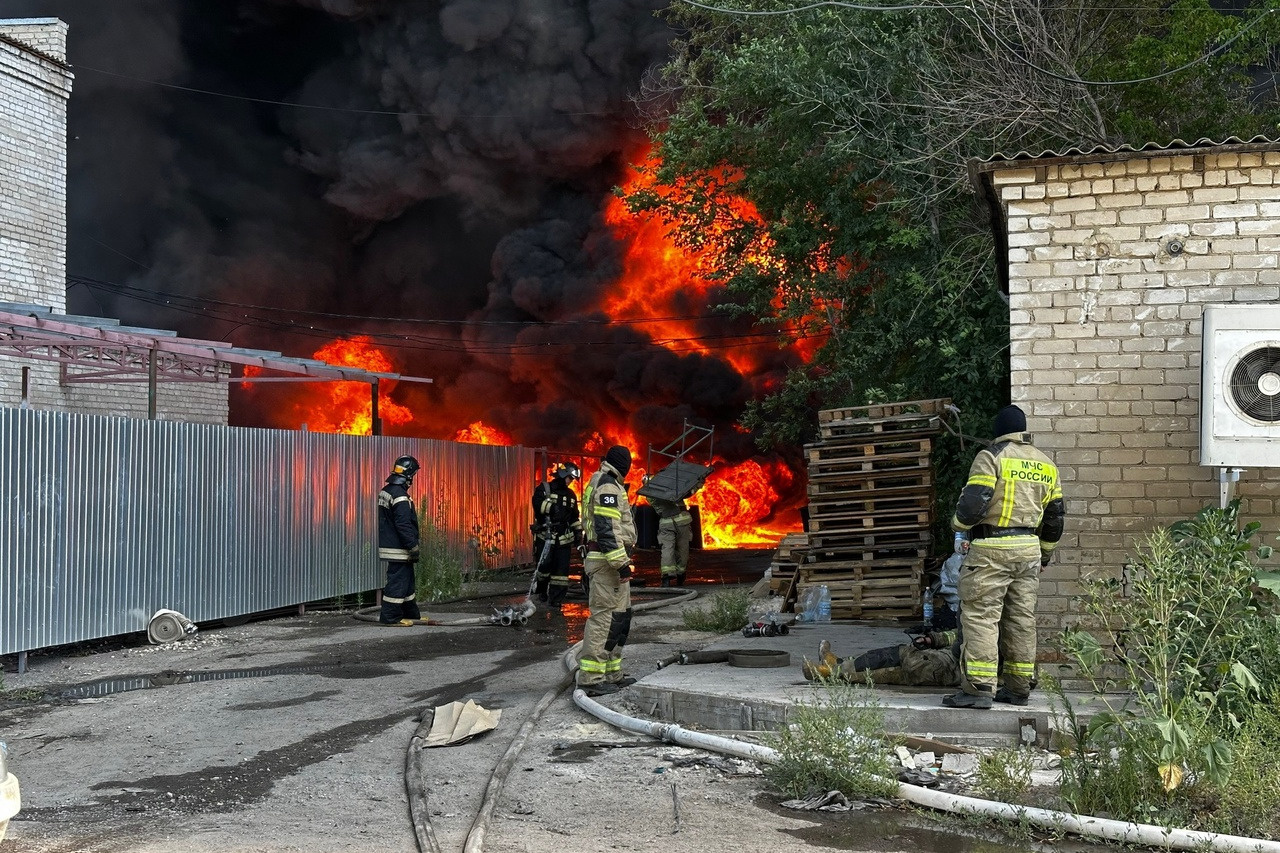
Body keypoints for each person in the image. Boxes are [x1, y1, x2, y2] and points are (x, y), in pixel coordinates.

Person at [944, 404, 1065, 709]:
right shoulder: (1047, 464)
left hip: (991, 550)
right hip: (1029, 552)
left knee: (982, 616)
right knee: (1021, 619)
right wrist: (1045, 555)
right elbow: (1055, 518)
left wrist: (958, 526)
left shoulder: (992, 457)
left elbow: (972, 505)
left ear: (998, 430)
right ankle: (1018, 689)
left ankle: (978, 689)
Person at [576, 445, 637, 697]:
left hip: (608, 561)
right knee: (604, 619)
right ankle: (591, 678)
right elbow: (607, 529)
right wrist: (620, 563)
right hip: (607, 562)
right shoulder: (608, 486)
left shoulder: (606, 482)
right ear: (622, 465)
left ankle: (612, 673)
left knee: (619, 619)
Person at [377, 455, 423, 626]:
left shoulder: (387, 491)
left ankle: (411, 614)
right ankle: (390, 617)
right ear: (409, 475)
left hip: (392, 546)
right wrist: (412, 545)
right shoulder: (401, 497)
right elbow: (403, 525)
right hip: (400, 548)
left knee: (407, 582)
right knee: (398, 582)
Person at [531, 462, 582, 609]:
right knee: (544, 567)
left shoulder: (571, 495)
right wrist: (552, 508)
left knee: (561, 573)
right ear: (562, 474)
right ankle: (541, 590)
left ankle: (556, 600)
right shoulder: (544, 489)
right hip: (546, 536)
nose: (570, 481)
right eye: (569, 478)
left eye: (572, 479)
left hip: (564, 539)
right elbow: (537, 504)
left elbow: (573, 517)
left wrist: (578, 532)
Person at [650, 495, 693, 586]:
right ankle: (676, 574)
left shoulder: (651, 488)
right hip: (679, 522)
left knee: (668, 549)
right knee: (681, 549)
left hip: (669, 523)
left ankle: (668, 576)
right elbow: (687, 492)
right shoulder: (674, 482)